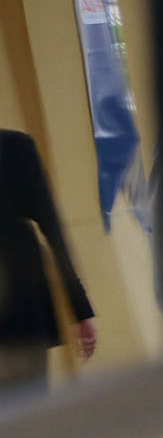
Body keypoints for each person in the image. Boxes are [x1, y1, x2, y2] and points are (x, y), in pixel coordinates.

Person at [0, 128, 97, 391]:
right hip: (21, 304)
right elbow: (53, 229)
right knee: (27, 406)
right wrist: (81, 310)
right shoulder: (16, 147)